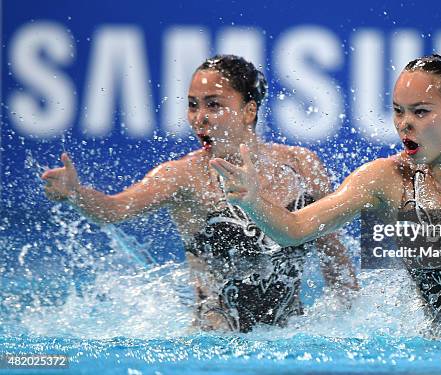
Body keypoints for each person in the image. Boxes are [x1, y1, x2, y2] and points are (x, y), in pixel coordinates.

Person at [210, 54, 441, 345]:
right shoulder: (385, 179)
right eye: (398, 111)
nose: (404, 124)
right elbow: (294, 230)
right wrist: (253, 202)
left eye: (421, 112)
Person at [41, 54, 358, 333]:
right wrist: (77, 193)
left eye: (213, 105)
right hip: (214, 342)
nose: (199, 117)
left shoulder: (302, 165)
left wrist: (349, 321)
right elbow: (114, 209)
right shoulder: (181, 177)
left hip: (290, 337)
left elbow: (334, 256)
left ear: (249, 111)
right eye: (193, 105)